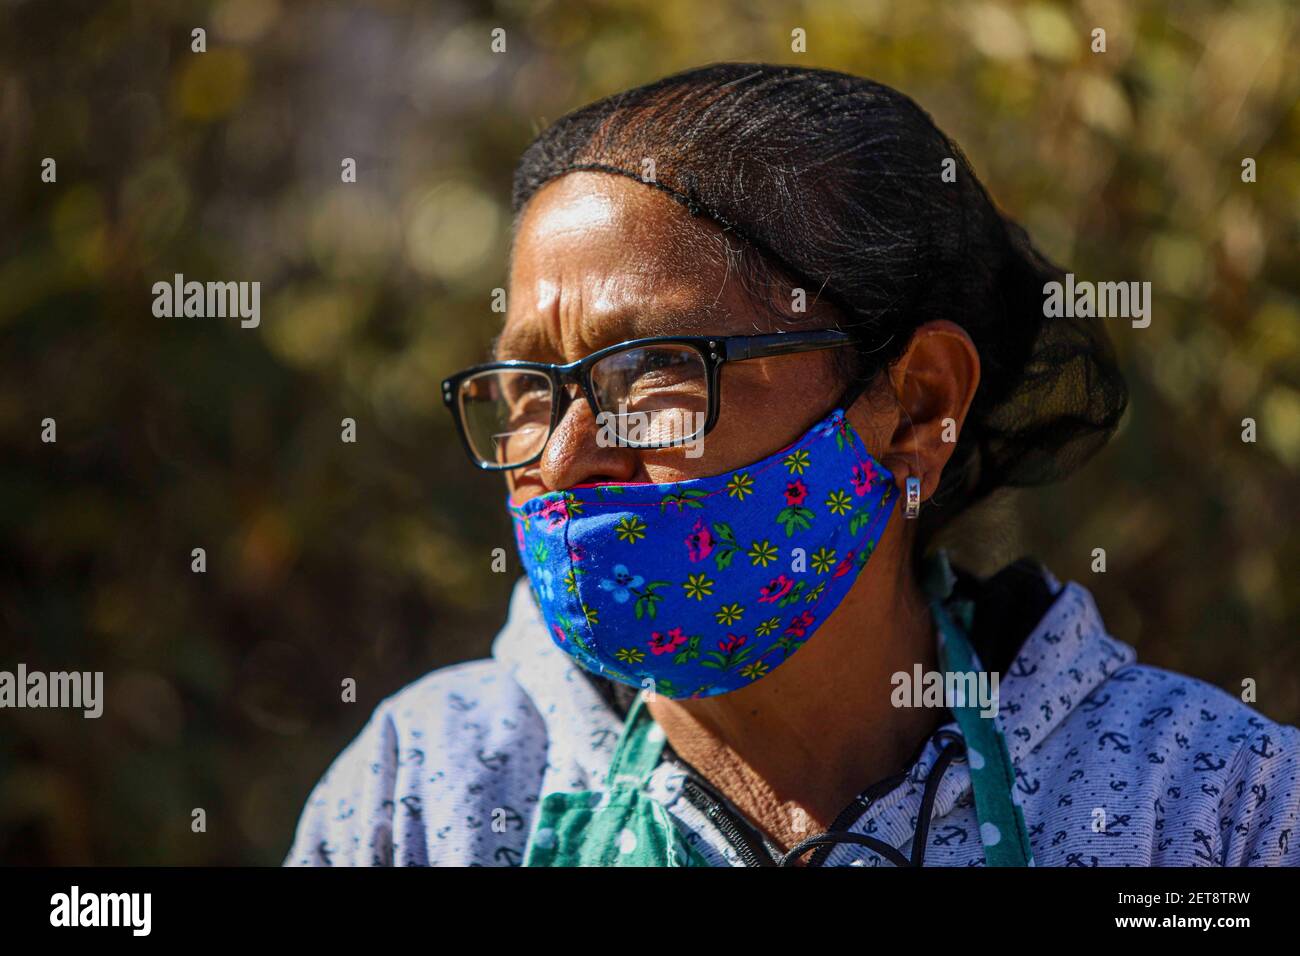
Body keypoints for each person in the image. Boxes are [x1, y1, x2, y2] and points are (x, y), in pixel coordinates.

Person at [284, 63, 1298, 867]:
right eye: (527, 388)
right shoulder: (431, 788)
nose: (563, 455)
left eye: (653, 372)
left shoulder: (1203, 800)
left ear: (916, 405)